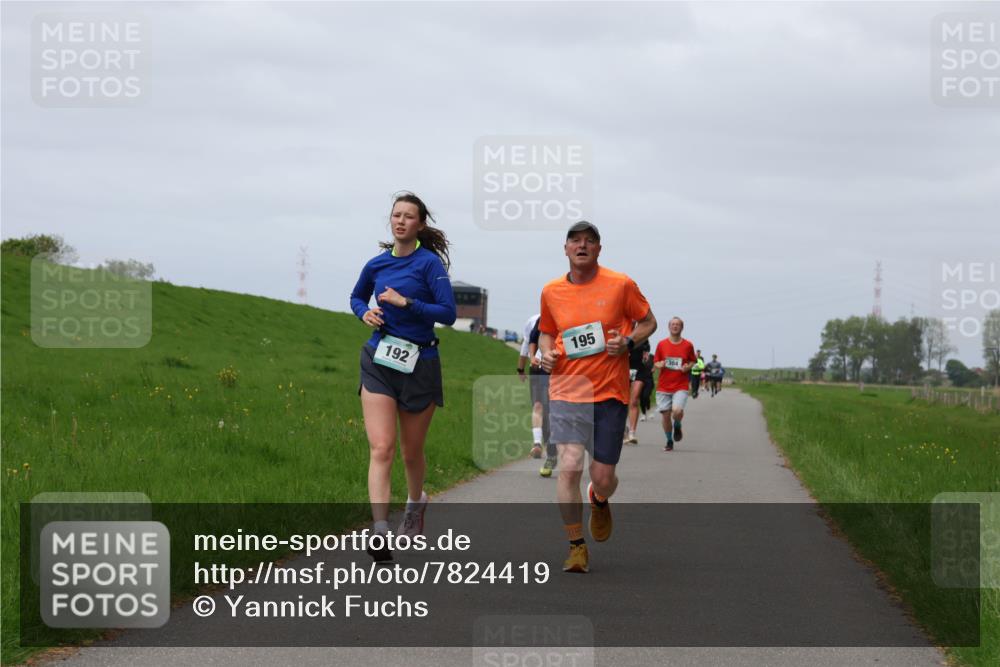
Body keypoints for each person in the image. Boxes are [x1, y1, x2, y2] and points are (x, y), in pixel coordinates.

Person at [539, 221, 657, 574]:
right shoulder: (551, 291)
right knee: (570, 465)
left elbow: (649, 321)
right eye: (575, 241)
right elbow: (547, 334)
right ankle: (576, 546)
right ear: (565, 249)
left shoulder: (621, 284)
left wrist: (629, 341)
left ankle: (599, 497)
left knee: (603, 476)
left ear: (599, 249)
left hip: (609, 391)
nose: (582, 246)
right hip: (566, 388)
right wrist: (545, 354)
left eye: (590, 241)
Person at [350, 192, 456, 563]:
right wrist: (364, 312)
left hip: (420, 362)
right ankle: (379, 530)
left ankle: (415, 502)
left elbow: (448, 312)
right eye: (396, 215)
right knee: (382, 448)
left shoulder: (429, 266)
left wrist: (406, 303)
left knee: (411, 453)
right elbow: (356, 296)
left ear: (420, 225)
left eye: (409, 216)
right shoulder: (376, 265)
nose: (401, 221)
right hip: (379, 358)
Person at [653, 318, 698, 451]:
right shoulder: (661, 344)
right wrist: (659, 364)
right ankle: (669, 441)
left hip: (681, 385)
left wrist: (687, 367)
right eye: (673, 324)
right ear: (669, 327)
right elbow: (656, 361)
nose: (675, 326)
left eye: (677, 325)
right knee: (666, 415)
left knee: (677, 411)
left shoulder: (688, 345)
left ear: (682, 328)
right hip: (664, 386)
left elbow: (692, 361)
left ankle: (677, 425)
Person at [624, 335, 652, 444]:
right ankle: (623, 430)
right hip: (622, 369)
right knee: (622, 401)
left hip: (638, 370)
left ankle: (632, 433)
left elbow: (646, 352)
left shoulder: (642, 335)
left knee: (634, 400)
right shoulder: (621, 331)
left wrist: (646, 356)